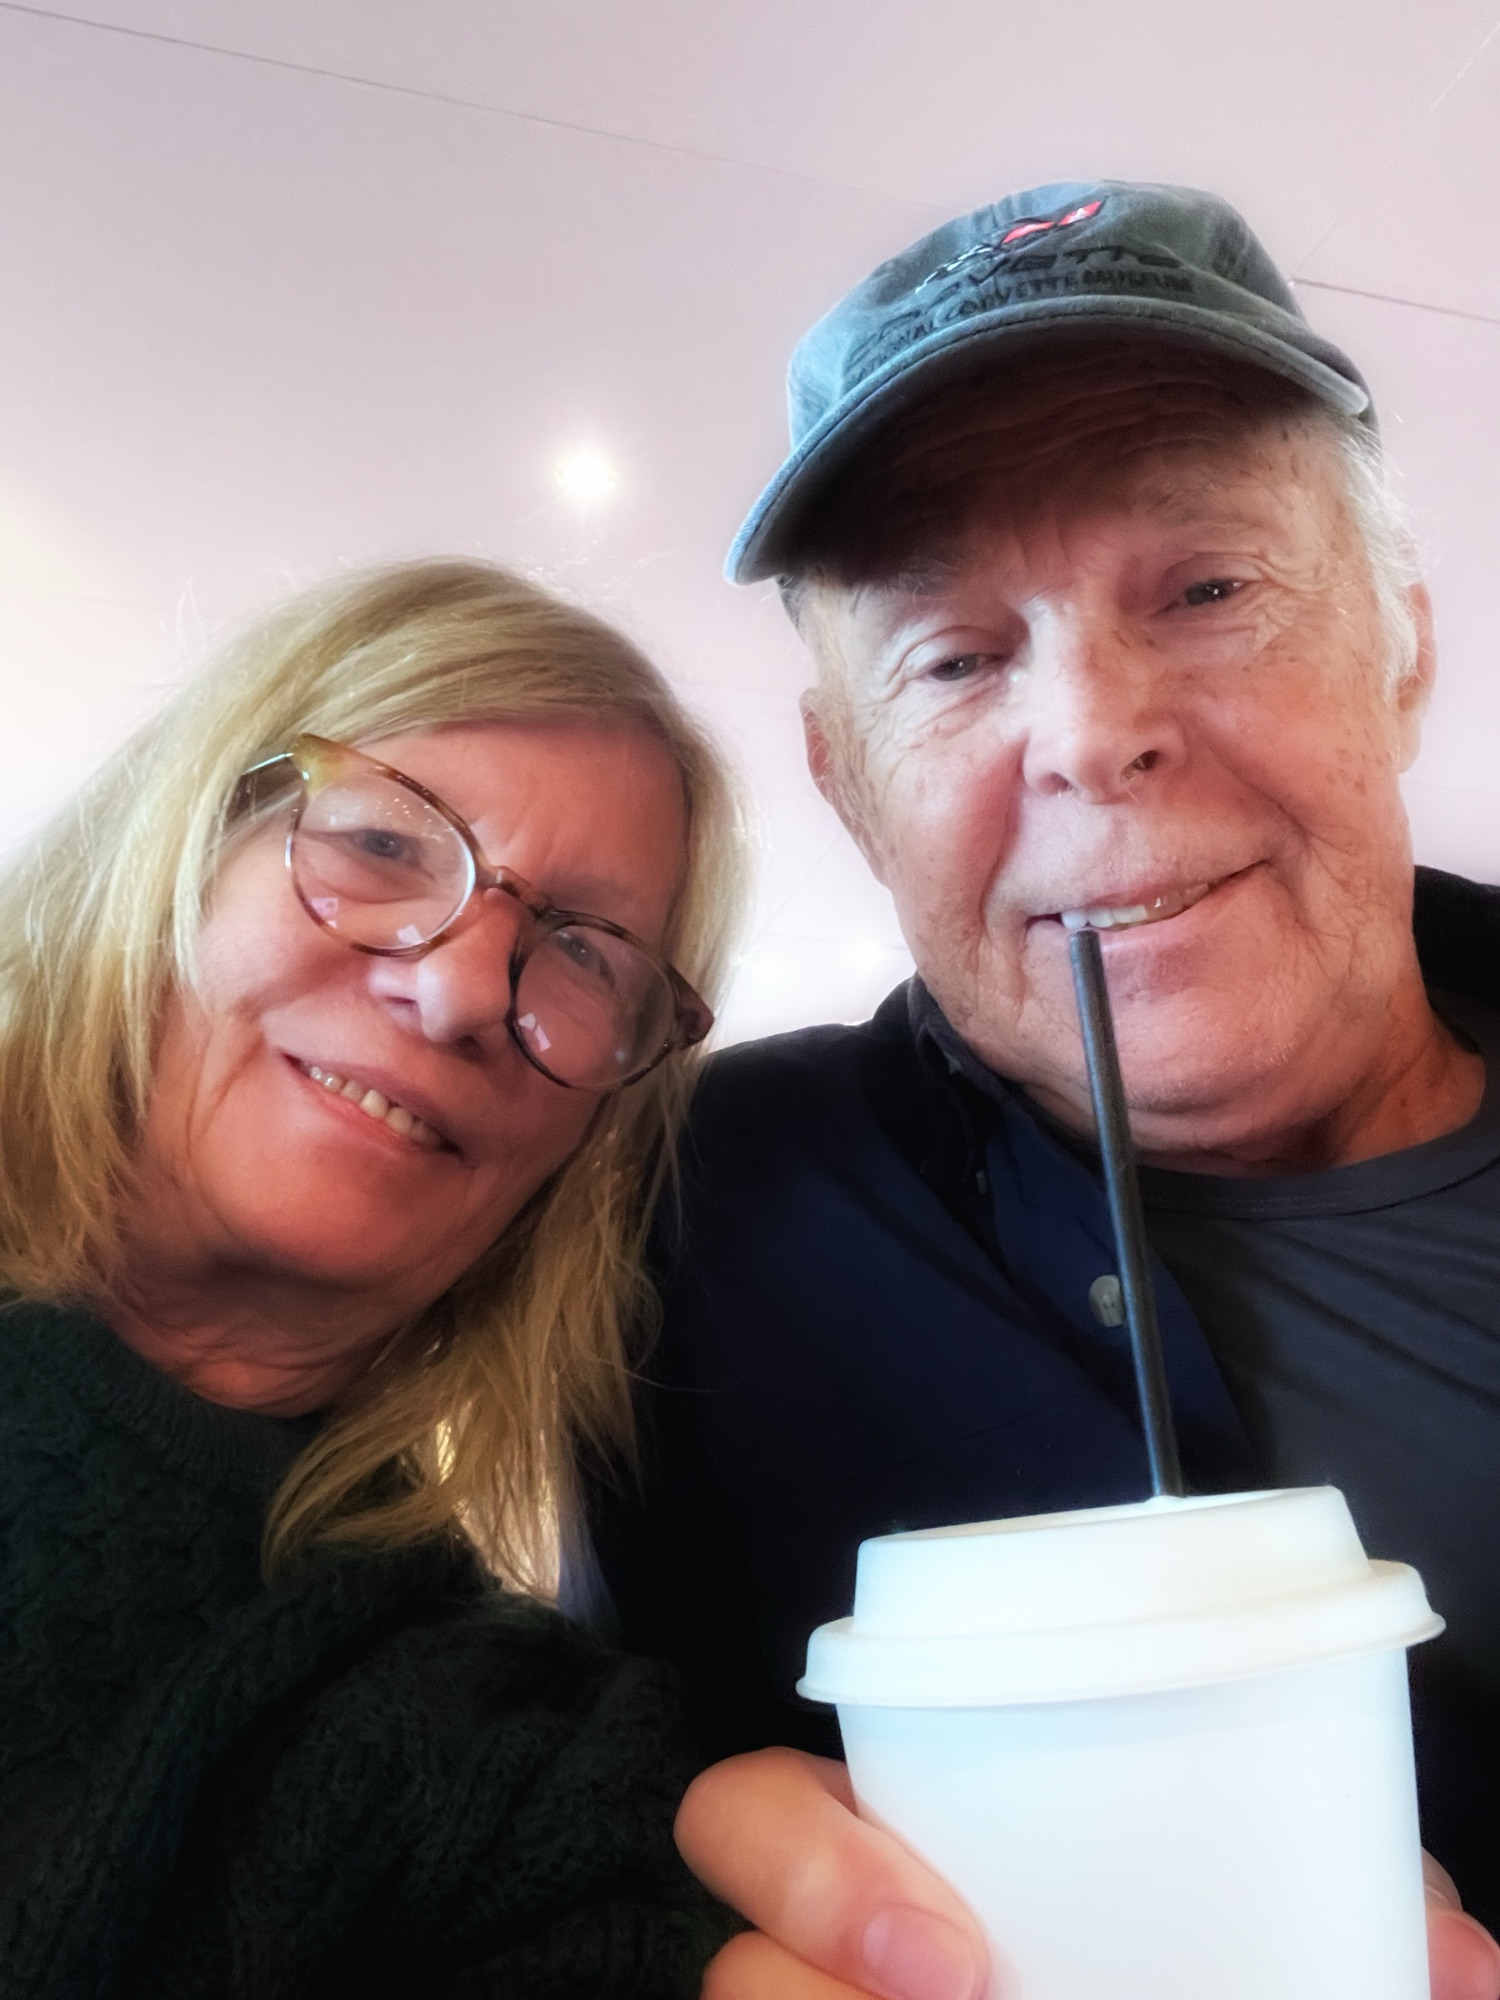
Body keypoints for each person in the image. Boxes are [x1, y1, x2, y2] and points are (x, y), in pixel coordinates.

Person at [583, 183, 1500, 1996]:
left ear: (1401, 646)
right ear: (848, 786)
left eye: (1211, 589)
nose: (1089, 732)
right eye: (954, 657)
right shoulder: (694, 1206)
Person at [0, 557, 750, 1995]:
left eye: (585, 956)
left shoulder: (486, 1753)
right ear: (181, 837)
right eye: (387, 844)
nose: (462, 991)